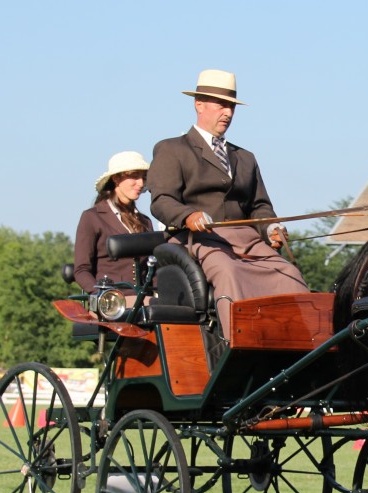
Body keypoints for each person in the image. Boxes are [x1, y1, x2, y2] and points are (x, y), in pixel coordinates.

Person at [147, 68, 308, 334]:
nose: (228, 113)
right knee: (227, 271)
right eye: (221, 105)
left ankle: (300, 345)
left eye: (231, 106)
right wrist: (188, 216)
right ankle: (238, 343)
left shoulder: (245, 157)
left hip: (247, 240)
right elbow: (161, 200)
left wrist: (270, 228)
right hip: (196, 240)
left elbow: (259, 206)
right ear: (199, 104)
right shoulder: (172, 149)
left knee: (289, 274)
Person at [73, 151, 153, 292]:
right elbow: (81, 270)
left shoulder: (145, 222)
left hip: (144, 301)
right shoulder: (92, 218)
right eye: (134, 176)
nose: (140, 183)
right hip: (111, 306)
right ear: (116, 179)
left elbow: (153, 268)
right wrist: (103, 298)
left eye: (143, 178)